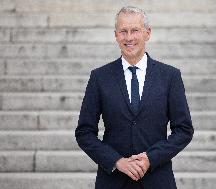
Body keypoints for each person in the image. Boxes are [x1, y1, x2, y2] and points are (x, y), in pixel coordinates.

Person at [75, 6, 194, 189]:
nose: (129, 37)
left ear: (147, 33)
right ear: (116, 35)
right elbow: (84, 132)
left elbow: (184, 129)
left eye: (135, 30)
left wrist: (150, 158)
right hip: (113, 181)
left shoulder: (170, 76)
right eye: (123, 31)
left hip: (157, 180)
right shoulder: (99, 77)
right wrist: (116, 161)